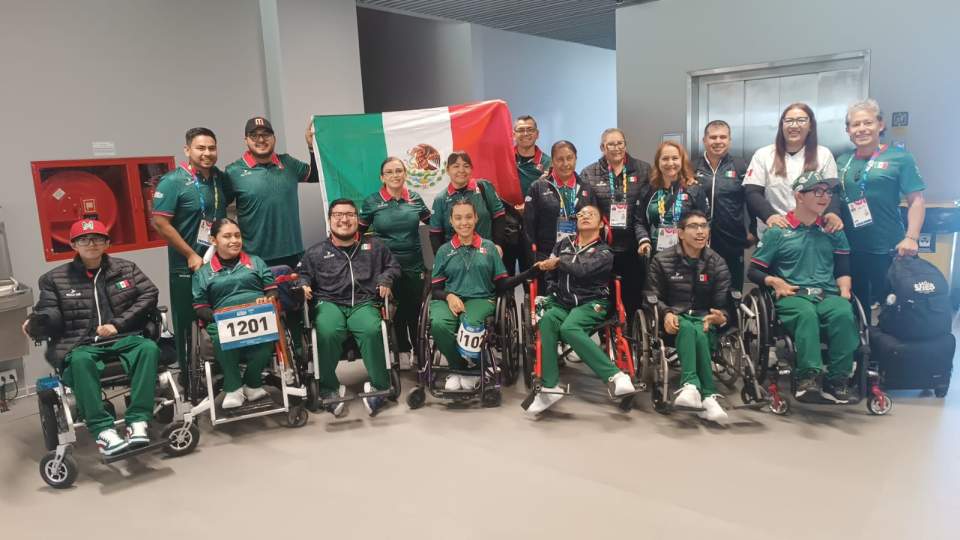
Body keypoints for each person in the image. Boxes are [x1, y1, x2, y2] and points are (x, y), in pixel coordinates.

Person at [22, 219, 160, 455]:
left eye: (97, 238)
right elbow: (50, 311)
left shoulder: (127, 269)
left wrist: (117, 324)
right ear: (74, 245)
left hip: (123, 336)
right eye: (83, 239)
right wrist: (38, 323)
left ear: (107, 243)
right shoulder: (54, 279)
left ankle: (137, 421)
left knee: (148, 348)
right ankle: (103, 431)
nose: (91, 243)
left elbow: (149, 294)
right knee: (80, 361)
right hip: (81, 344)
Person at [749, 172, 858, 404]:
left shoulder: (833, 231)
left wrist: (845, 291)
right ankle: (808, 377)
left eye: (828, 192)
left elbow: (843, 267)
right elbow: (754, 271)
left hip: (827, 293)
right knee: (806, 315)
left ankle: (837, 379)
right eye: (817, 191)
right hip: (793, 294)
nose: (825, 197)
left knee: (843, 313)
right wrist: (775, 281)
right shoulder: (778, 231)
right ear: (799, 195)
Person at [522, 205, 639, 415]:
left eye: (590, 214)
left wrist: (559, 262)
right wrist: (552, 289)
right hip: (563, 302)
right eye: (581, 214)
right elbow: (549, 272)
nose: (584, 216)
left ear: (601, 223)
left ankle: (615, 376)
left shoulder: (604, 251)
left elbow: (582, 270)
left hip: (592, 303)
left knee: (569, 328)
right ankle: (549, 388)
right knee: (547, 319)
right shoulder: (562, 245)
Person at [298, 199, 401, 417]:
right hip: (329, 302)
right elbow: (303, 274)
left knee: (373, 329)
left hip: (364, 301)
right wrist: (303, 284)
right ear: (329, 220)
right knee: (326, 331)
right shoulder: (315, 252)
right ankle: (329, 388)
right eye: (338, 215)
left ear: (357, 218)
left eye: (349, 214)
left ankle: (378, 387)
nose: (344, 219)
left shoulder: (375, 246)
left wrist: (386, 279)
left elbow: (393, 266)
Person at [151, 127, 230, 379]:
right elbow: (160, 223)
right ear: (187, 150)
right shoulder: (173, 181)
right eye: (201, 148)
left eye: (211, 148)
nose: (207, 153)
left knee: (221, 318)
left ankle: (224, 370)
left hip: (220, 264)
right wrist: (190, 255)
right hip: (187, 266)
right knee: (188, 324)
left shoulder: (220, 179)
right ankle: (188, 376)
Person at [836, 99, 926, 316]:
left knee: (893, 304)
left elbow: (917, 200)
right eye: (855, 125)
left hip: (887, 247)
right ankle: (861, 347)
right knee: (854, 306)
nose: (861, 129)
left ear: (880, 125)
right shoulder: (842, 160)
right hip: (849, 247)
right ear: (848, 130)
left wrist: (912, 237)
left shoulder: (900, 158)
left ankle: (890, 349)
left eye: (867, 122)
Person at [430, 199, 526, 391]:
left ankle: (468, 369)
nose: (463, 222)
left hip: (481, 298)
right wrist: (448, 296)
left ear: (475, 219)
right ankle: (460, 368)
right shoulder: (444, 250)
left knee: (470, 325)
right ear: (451, 221)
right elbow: (435, 289)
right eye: (458, 218)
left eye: (468, 217)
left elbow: (502, 283)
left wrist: (529, 273)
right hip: (449, 298)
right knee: (439, 324)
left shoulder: (489, 247)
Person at [644, 211, 732, 423]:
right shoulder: (662, 260)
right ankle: (707, 395)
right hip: (674, 317)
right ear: (681, 233)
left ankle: (692, 387)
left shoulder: (717, 262)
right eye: (693, 226)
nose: (700, 231)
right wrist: (665, 313)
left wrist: (722, 316)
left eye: (704, 226)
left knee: (697, 329)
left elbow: (724, 303)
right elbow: (651, 295)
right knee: (689, 327)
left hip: (704, 320)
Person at [191, 218, 278, 410]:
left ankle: (253, 383)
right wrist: (219, 317)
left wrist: (268, 299)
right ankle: (233, 388)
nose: (234, 240)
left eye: (237, 235)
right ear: (214, 240)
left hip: (257, 316)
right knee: (222, 335)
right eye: (227, 236)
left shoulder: (255, 262)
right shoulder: (203, 273)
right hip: (223, 320)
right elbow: (200, 307)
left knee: (269, 334)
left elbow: (271, 289)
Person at [360, 157, 431, 369]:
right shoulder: (372, 201)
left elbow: (434, 225)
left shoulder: (415, 199)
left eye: (399, 170)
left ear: (405, 174)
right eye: (389, 172)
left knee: (415, 309)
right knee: (395, 310)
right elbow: (358, 234)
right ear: (382, 177)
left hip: (414, 264)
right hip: (386, 266)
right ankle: (401, 350)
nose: (395, 175)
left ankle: (419, 352)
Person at [223, 116, 319, 268]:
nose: (261, 139)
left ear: (274, 138)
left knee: (296, 292)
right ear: (246, 140)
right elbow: (221, 207)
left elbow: (316, 175)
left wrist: (312, 147)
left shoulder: (288, 163)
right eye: (254, 135)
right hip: (254, 258)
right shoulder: (233, 171)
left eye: (266, 134)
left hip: (293, 253)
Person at [579, 128, 652, 317]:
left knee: (634, 293)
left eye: (620, 143)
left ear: (625, 144)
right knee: (606, 293)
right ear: (602, 147)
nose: (616, 148)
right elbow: (587, 207)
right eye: (611, 144)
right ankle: (608, 338)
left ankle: (632, 335)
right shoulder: (589, 173)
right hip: (605, 245)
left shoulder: (644, 170)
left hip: (634, 243)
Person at [744, 103, 842, 236]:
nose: (794, 125)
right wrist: (770, 216)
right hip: (776, 232)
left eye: (801, 120)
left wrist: (832, 213)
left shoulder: (824, 154)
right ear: (782, 125)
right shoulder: (763, 154)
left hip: (813, 233)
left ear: (810, 126)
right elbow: (752, 192)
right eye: (789, 120)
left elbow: (833, 191)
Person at [522, 140, 598, 290]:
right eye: (560, 159)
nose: (565, 163)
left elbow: (595, 224)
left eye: (569, 158)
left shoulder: (586, 188)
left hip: (579, 255)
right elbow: (528, 227)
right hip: (547, 255)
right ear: (552, 161)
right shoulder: (538, 187)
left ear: (576, 158)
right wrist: (534, 259)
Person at [693, 120, 752, 291]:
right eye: (713, 137)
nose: (718, 141)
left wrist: (753, 229)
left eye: (723, 137)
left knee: (731, 288)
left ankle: (732, 318)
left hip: (731, 238)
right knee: (701, 287)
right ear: (704, 140)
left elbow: (752, 199)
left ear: (729, 140)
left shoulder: (740, 165)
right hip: (698, 238)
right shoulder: (692, 167)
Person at [635, 141, 708, 253]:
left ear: (681, 161)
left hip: (687, 253)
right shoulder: (648, 189)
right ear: (658, 162)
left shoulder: (693, 189)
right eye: (665, 159)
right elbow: (639, 221)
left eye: (675, 158)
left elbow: (705, 220)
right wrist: (644, 240)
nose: (670, 163)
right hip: (656, 254)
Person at [429, 151, 506, 253]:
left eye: (466, 166)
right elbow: (435, 233)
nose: (461, 170)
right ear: (447, 170)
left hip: (487, 253)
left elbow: (499, 216)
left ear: (471, 169)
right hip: (456, 259)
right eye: (456, 166)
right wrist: (442, 260)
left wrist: (498, 245)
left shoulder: (484, 187)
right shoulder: (440, 199)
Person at [505, 115, 552, 277]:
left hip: (534, 228)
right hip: (507, 226)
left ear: (537, 134)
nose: (525, 133)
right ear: (513, 134)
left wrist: (529, 206)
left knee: (531, 277)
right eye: (521, 130)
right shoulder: (504, 159)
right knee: (505, 277)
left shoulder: (548, 163)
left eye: (530, 130)